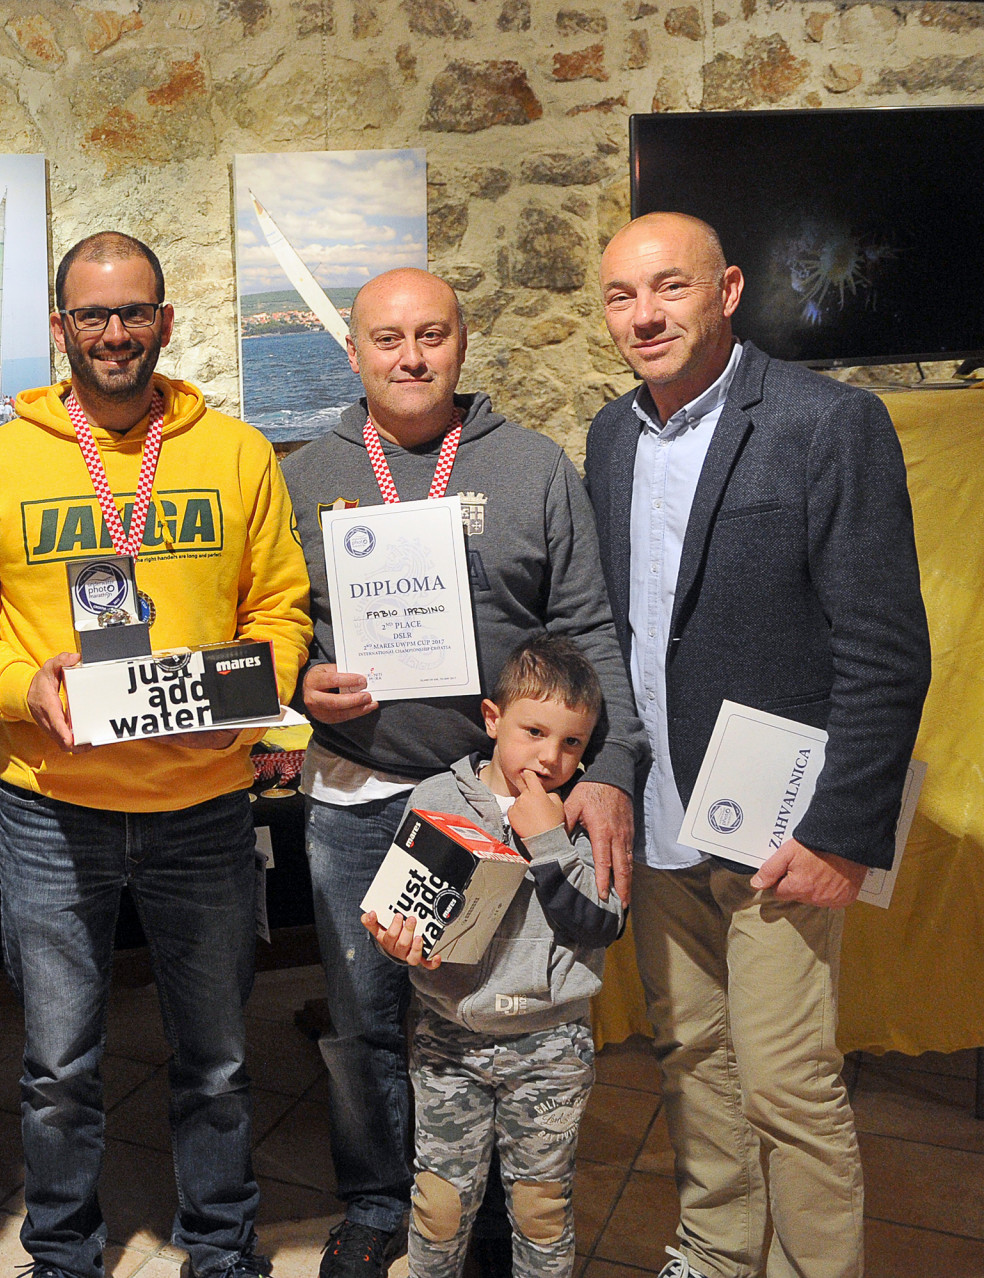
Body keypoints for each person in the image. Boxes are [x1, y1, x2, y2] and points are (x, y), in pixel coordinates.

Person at [0, 231, 309, 1278]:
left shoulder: (236, 454)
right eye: (93, 314)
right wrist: (25, 684)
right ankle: (62, 1251)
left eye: (134, 311)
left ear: (165, 321)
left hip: (204, 804)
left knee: (219, 1059)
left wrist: (247, 704)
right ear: (60, 327)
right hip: (51, 810)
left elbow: (279, 608)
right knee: (58, 1067)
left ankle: (222, 1244)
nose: (114, 333)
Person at [278, 267, 644, 1278]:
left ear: (462, 342)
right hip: (361, 789)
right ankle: (376, 1202)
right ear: (353, 351)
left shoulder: (532, 467)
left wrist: (609, 764)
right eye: (387, 338)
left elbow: (587, 630)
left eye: (431, 335)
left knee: (485, 1011)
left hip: (502, 799)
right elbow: (275, 622)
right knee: (365, 1016)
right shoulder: (305, 475)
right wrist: (301, 683)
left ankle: (477, 1214)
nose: (411, 357)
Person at [587, 212, 932, 1278]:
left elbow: (886, 651)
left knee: (787, 1084)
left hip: (783, 828)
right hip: (662, 811)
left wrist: (842, 832)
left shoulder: (828, 423)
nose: (645, 315)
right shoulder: (609, 437)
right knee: (691, 1054)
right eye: (621, 296)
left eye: (670, 286)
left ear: (728, 290)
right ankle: (718, 1249)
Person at [362, 635, 624, 1278]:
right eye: (534, 731)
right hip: (449, 1039)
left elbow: (600, 924)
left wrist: (548, 839)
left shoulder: (585, 810)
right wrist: (396, 941)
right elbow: (402, 910)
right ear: (491, 719)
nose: (551, 756)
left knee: (540, 1207)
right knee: (440, 1202)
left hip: (551, 1045)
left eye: (572, 743)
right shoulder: (437, 798)